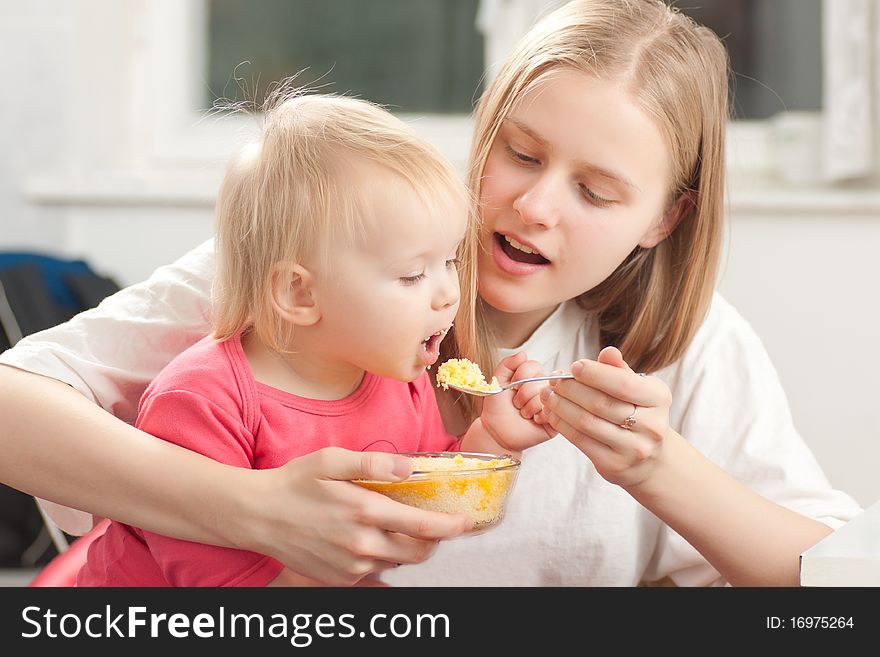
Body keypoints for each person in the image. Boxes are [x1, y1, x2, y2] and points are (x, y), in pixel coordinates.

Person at [0, 0, 861, 587]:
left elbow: (836, 578)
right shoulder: (309, 272)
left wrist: (655, 462)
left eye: (596, 193)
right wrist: (256, 510)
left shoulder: (694, 347)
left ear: (664, 220)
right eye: (521, 153)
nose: (535, 205)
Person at [72, 93, 549, 586]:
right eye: (412, 275)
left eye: (450, 261)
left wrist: (494, 440)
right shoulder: (200, 402)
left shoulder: (389, 377)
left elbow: (427, 489)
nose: (449, 293)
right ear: (299, 292)